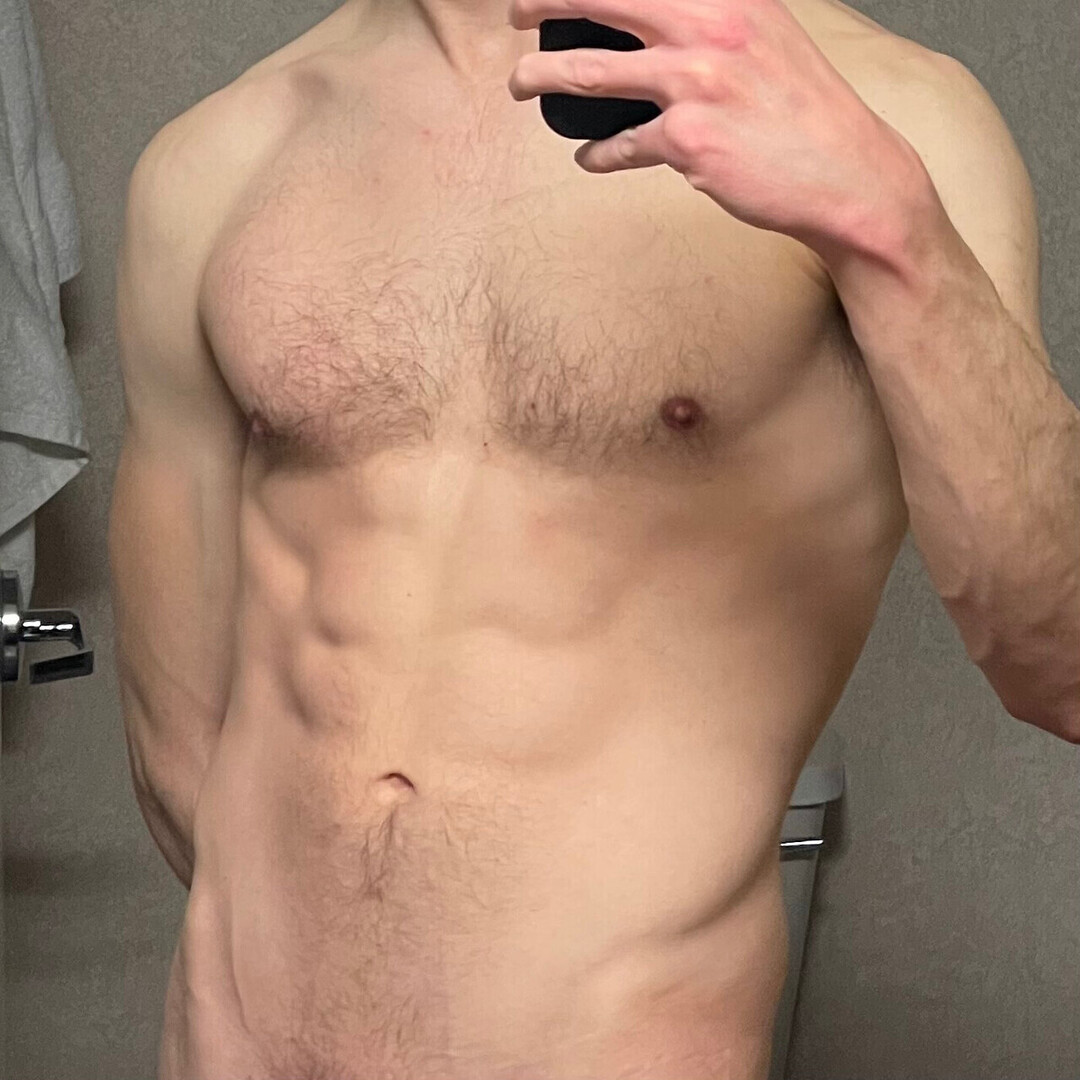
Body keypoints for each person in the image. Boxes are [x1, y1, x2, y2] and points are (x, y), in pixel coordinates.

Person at [107, 0, 1080, 1076]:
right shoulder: (221, 154)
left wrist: (893, 236)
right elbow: (177, 749)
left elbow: (1066, 666)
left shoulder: (886, 116)